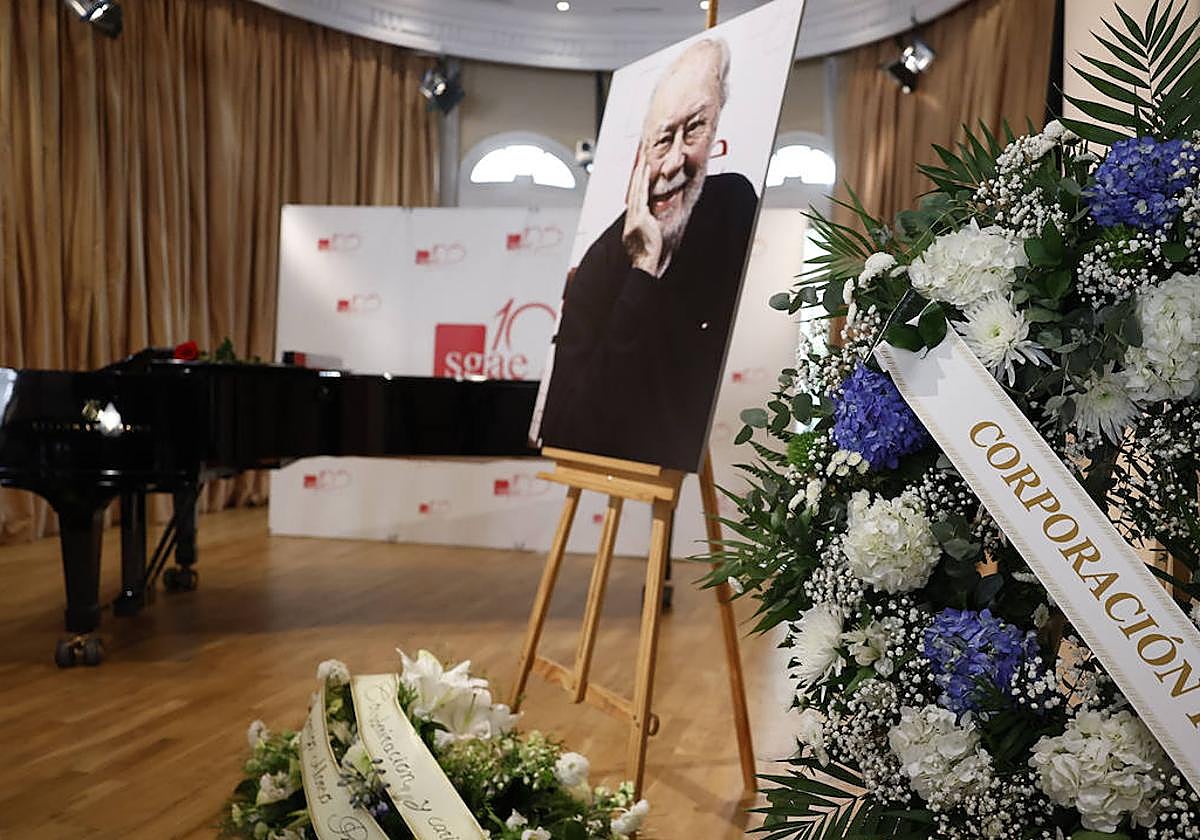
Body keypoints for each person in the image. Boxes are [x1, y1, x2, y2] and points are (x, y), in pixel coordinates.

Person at [537, 37, 758, 471]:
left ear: (715, 131)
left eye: (695, 129)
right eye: (662, 140)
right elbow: (568, 428)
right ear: (642, 153)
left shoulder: (731, 205)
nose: (675, 161)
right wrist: (643, 273)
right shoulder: (602, 262)